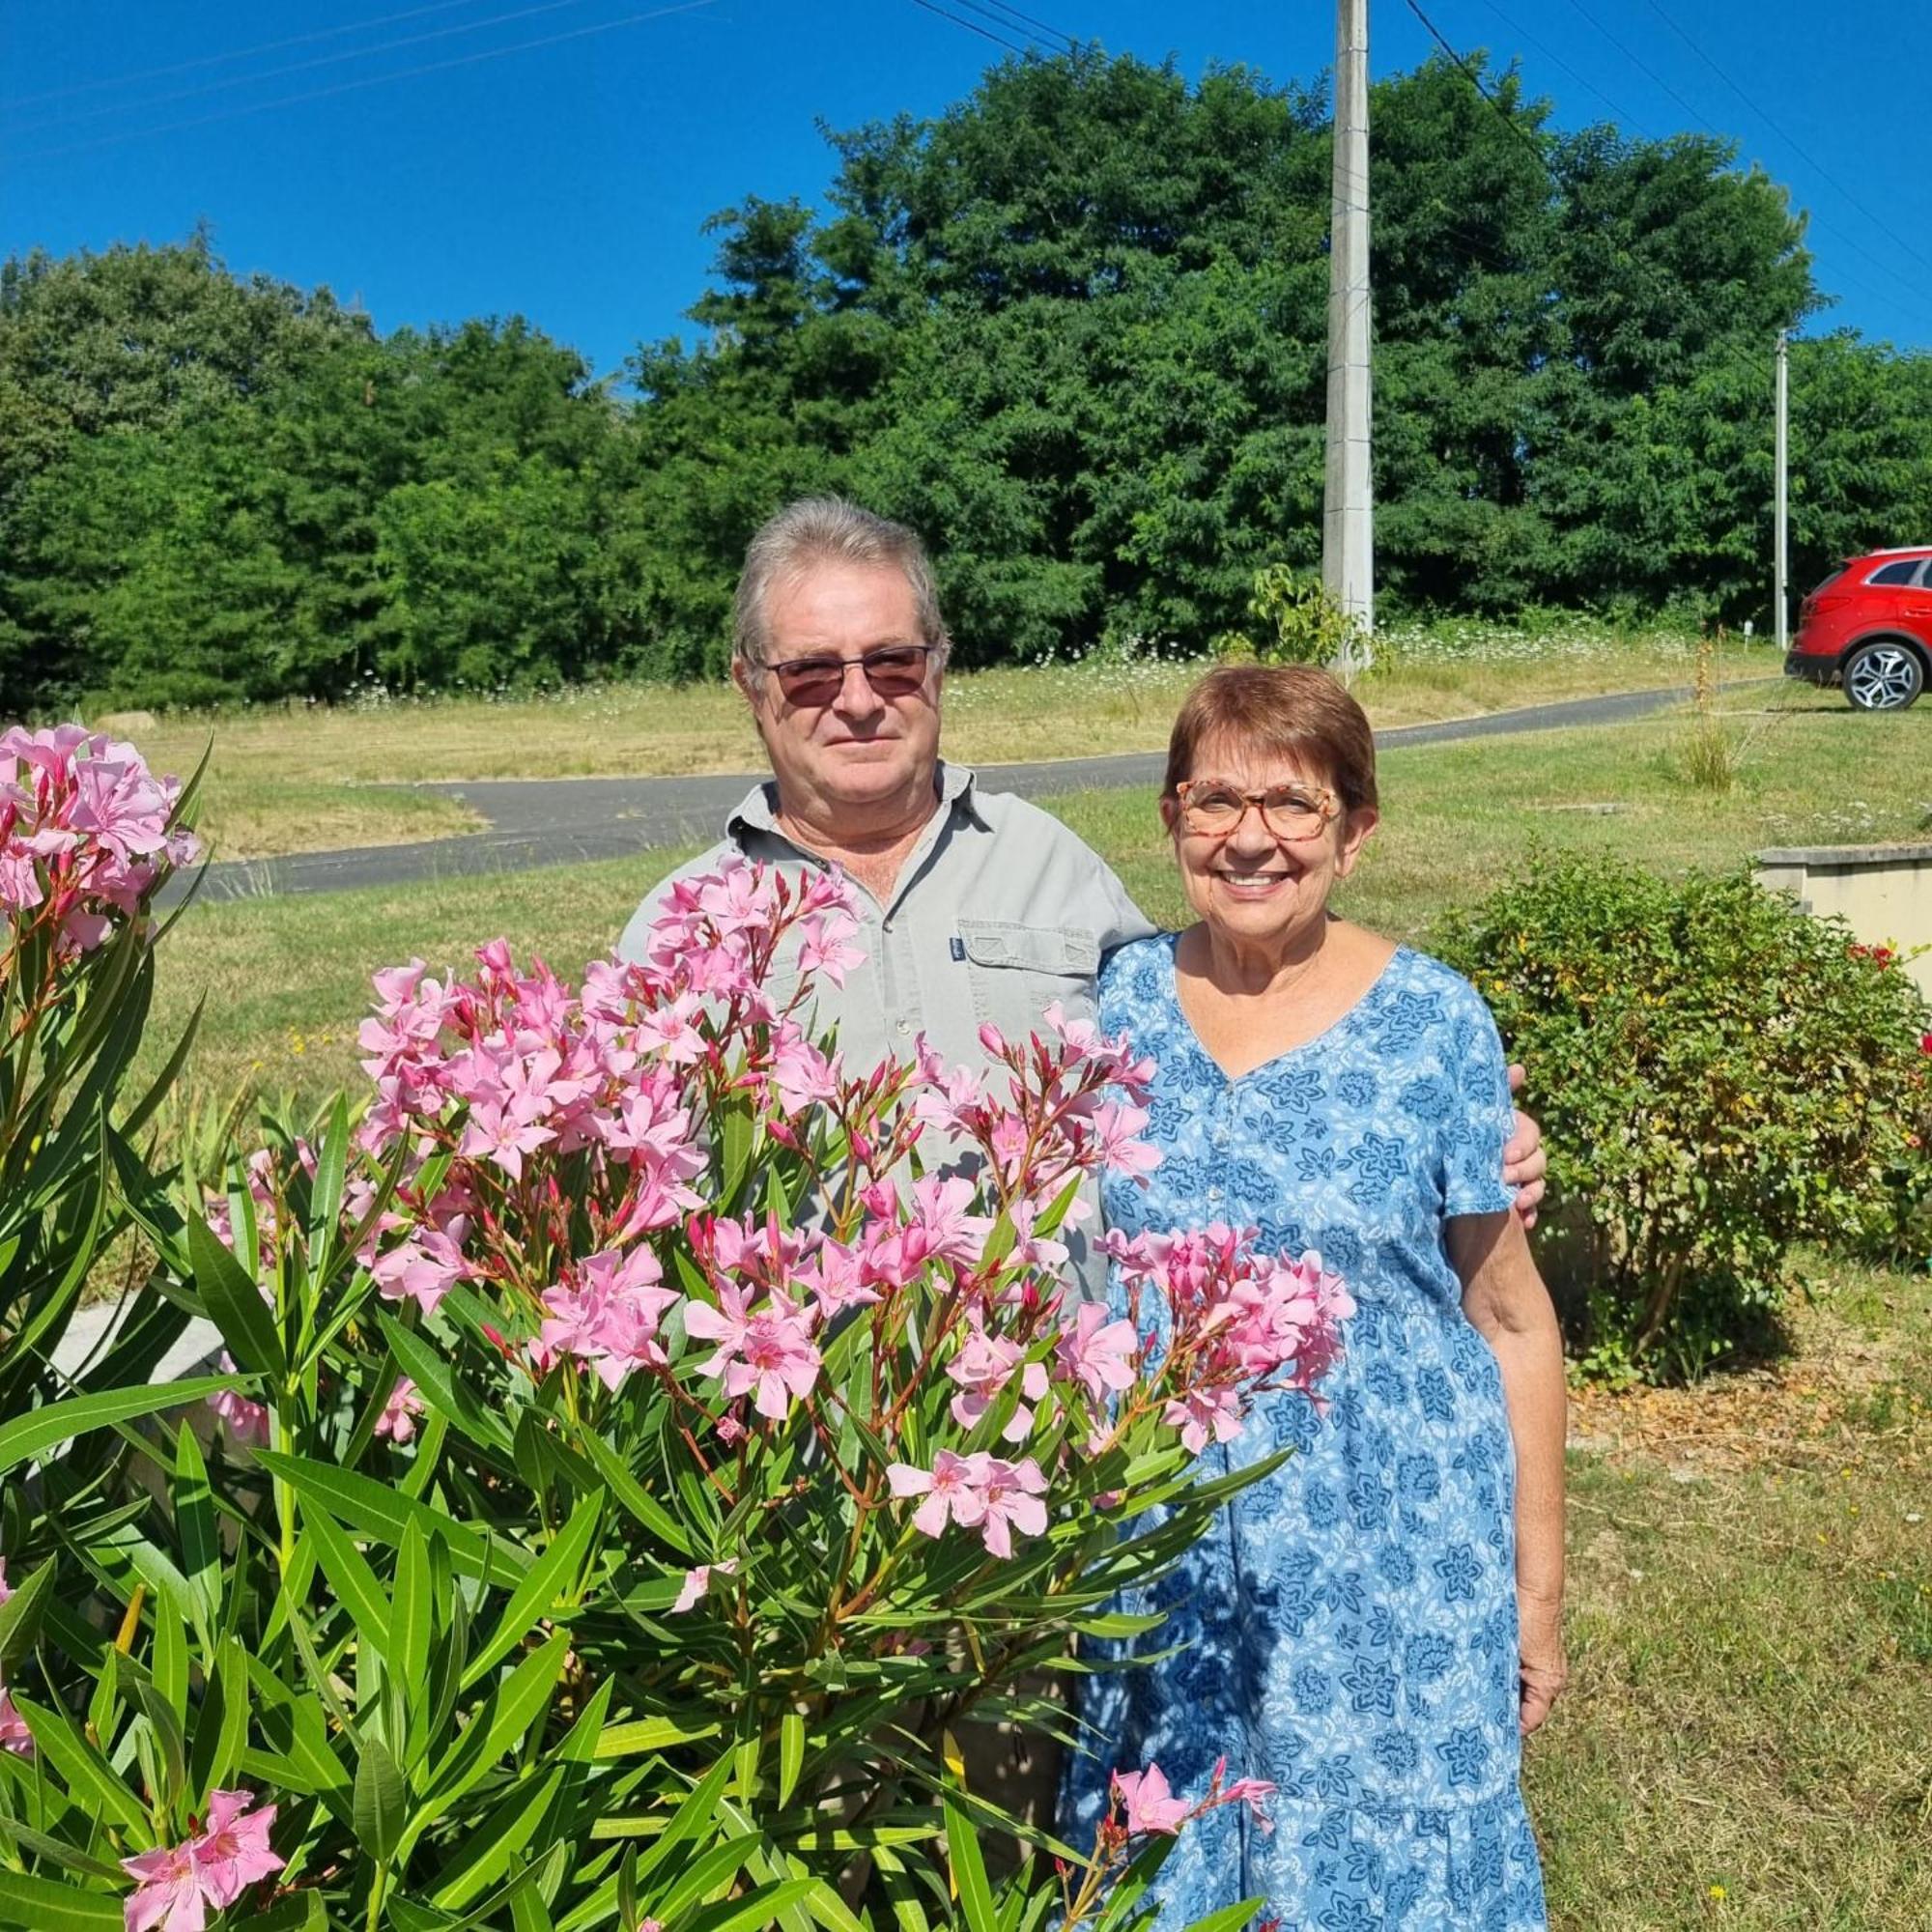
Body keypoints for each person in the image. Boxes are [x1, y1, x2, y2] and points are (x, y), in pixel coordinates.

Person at [1065, 664, 1566, 1929]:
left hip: (1389, 1569)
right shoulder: (1113, 1005)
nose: (1249, 838)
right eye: (1214, 800)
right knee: (1168, 1861)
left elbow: (1512, 1319)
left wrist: (1538, 1601)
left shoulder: (1436, 1022)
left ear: (1355, 829)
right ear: (1173, 816)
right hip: (1168, 1551)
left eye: (1292, 804)